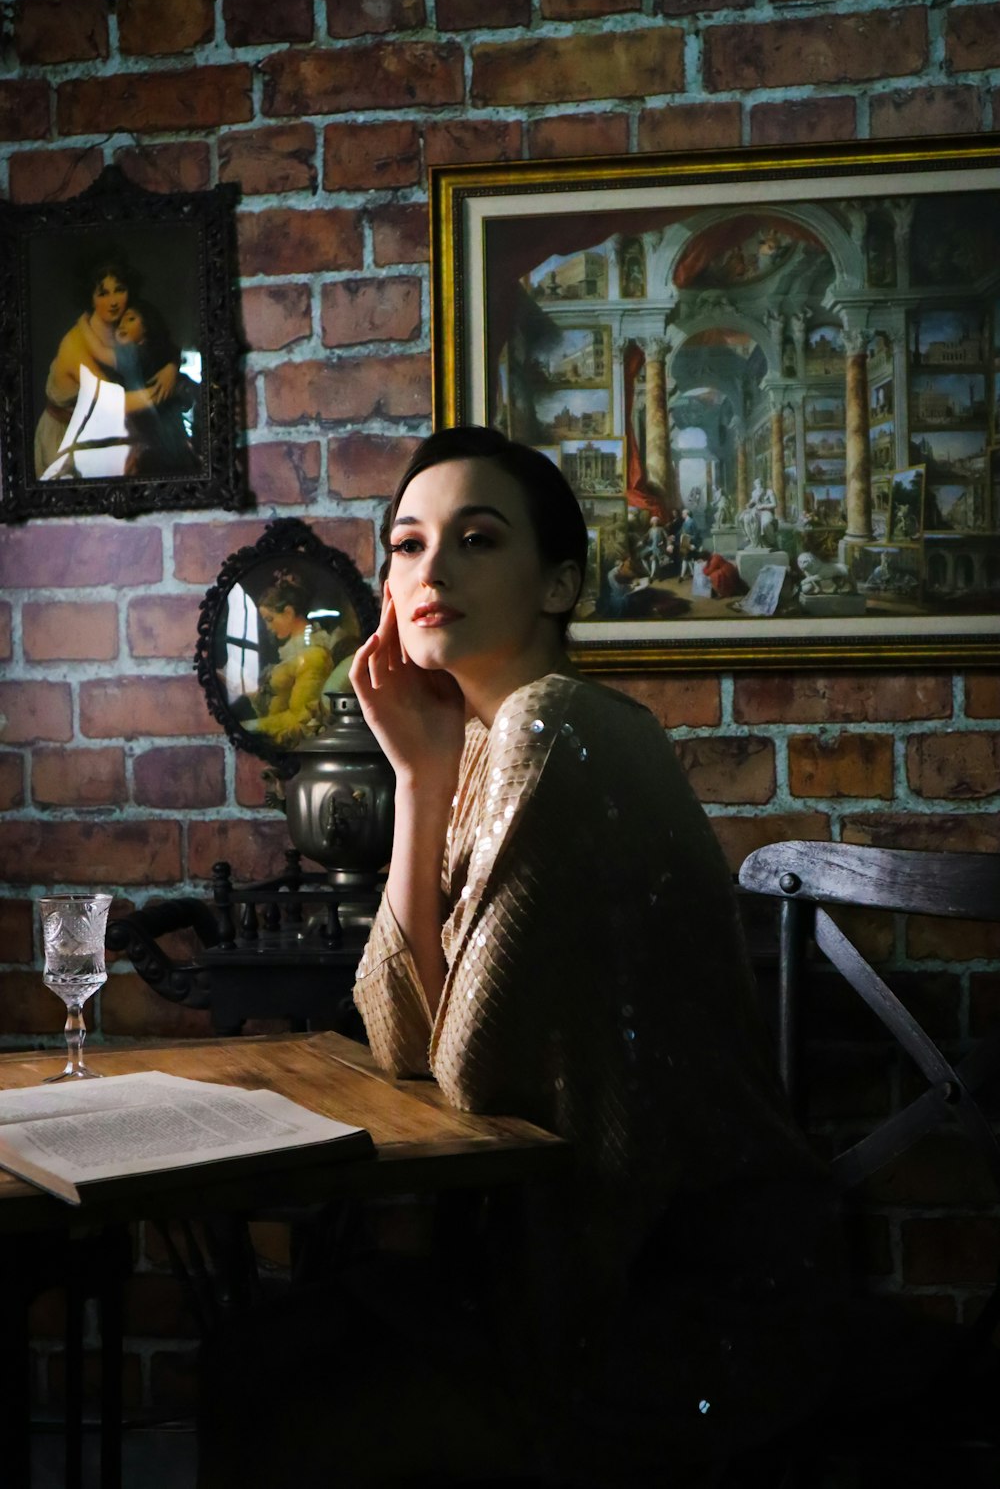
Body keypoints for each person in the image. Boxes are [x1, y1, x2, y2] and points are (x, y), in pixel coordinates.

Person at [198, 428, 846, 1488]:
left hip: (686, 1303)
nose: (429, 571)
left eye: (476, 539)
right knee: (262, 1359)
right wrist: (416, 776)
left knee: (278, 1386)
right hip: (563, 1266)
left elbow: (458, 1075)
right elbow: (401, 1037)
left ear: (559, 582)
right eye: (405, 545)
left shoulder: (556, 731)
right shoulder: (490, 745)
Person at [33, 250, 178, 478]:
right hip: (66, 441)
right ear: (90, 297)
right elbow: (111, 402)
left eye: (119, 290)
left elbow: (158, 346)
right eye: (103, 293)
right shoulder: (75, 344)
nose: (113, 302)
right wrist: (161, 392)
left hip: (106, 433)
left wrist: (172, 367)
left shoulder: (123, 328)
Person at [244, 572, 355, 744]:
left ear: (288, 613)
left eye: (269, 619)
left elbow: (302, 718)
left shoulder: (313, 652)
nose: (268, 627)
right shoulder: (294, 650)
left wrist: (252, 725)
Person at [114, 298, 198, 475]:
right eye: (120, 321)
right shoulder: (121, 360)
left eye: (130, 319)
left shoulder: (152, 358)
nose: (122, 325)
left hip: (162, 446)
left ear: (145, 327)